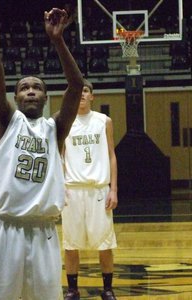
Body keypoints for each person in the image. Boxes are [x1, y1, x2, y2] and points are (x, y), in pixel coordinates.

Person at [0, 0, 84, 299]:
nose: (30, 90)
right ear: (14, 98)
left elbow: (77, 86)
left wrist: (58, 40)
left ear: (44, 97)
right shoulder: (6, 121)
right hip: (5, 230)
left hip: (43, 232)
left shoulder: (55, 129)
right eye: (24, 87)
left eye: (37, 87)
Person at [62, 80, 118, 300]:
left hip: (98, 189)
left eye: (85, 91)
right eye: (78, 92)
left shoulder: (104, 121)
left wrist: (113, 189)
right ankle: (72, 289)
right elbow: (59, 157)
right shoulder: (65, 122)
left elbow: (111, 155)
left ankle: (107, 288)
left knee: (104, 243)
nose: (82, 95)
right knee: (70, 244)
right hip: (72, 190)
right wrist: (59, 187)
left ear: (92, 96)